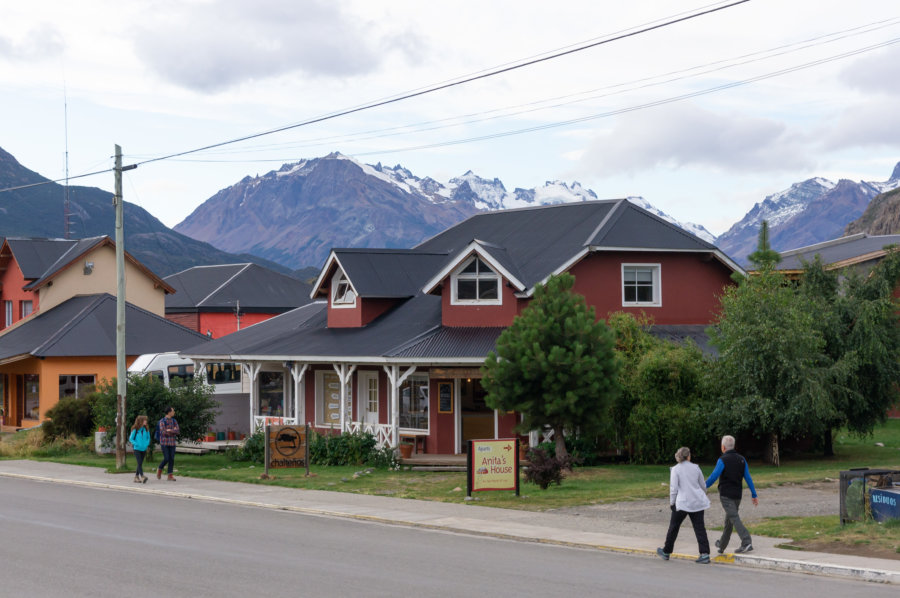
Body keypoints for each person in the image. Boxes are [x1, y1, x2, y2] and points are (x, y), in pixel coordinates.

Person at [657, 447, 711, 564]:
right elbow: (703, 485)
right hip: (697, 502)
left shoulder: (676, 469)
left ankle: (666, 551)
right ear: (689, 456)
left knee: (674, 527)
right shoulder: (696, 468)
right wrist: (703, 494)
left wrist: (672, 502)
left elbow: (673, 489)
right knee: (699, 528)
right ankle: (704, 553)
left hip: (682, 502)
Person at [705, 434, 759, 554]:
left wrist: (702, 487)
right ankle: (722, 545)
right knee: (729, 520)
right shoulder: (742, 459)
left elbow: (714, 476)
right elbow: (748, 478)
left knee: (733, 518)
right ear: (733, 446)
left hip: (726, 496)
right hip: (737, 495)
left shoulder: (722, 460)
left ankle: (746, 541)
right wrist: (754, 494)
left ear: (723, 447)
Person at [156, 407, 180, 481]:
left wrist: (170, 430)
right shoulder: (162, 421)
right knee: (166, 458)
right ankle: (160, 468)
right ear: (169, 412)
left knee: (171, 459)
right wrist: (173, 431)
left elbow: (178, 431)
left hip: (172, 442)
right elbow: (163, 432)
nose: (174, 412)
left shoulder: (174, 421)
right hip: (164, 442)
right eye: (173, 411)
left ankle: (170, 475)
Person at [128, 415, 151, 484]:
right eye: (144, 420)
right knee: (139, 462)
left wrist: (146, 444)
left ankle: (136, 477)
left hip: (144, 449)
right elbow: (131, 439)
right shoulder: (135, 429)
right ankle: (142, 476)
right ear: (140, 421)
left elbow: (148, 438)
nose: (146, 421)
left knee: (140, 463)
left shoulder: (146, 429)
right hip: (137, 449)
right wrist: (136, 444)